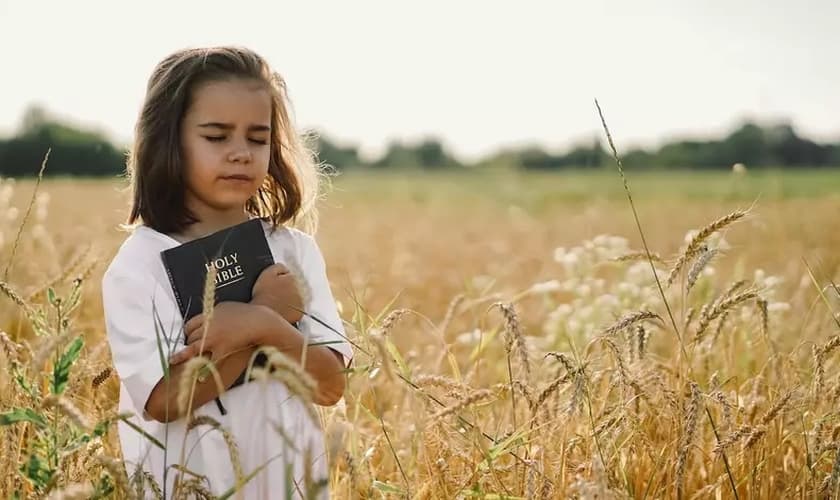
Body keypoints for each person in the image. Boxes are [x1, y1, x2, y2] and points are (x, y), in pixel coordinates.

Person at [101, 46, 352, 499]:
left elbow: (331, 385)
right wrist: (258, 315)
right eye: (217, 137)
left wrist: (263, 325)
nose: (241, 153)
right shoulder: (140, 265)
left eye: (257, 138)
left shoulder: (293, 251)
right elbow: (164, 401)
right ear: (168, 140)